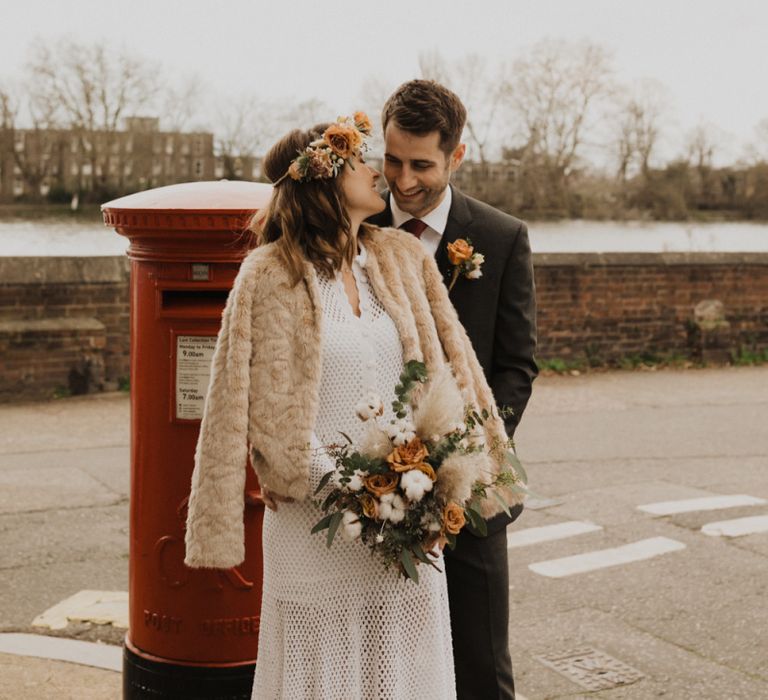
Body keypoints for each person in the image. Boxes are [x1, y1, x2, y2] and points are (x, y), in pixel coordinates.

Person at [183, 113, 517, 699]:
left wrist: (434, 482)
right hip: (318, 525)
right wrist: (357, 492)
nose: (376, 170)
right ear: (324, 179)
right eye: (359, 161)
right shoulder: (267, 273)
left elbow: (447, 369)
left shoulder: (398, 258)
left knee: (403, 670)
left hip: (405, 522)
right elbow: (265, 407)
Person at [368, 80, 538, 700]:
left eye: (421, 165)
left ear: (456, 158)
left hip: (471, 490)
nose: (402, 180)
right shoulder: (353, 233)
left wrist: (460, 458)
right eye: (391, 160)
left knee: (481, 668)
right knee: (386, 666)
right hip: (375, 489)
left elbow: (517, 366)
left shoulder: (501, 237)